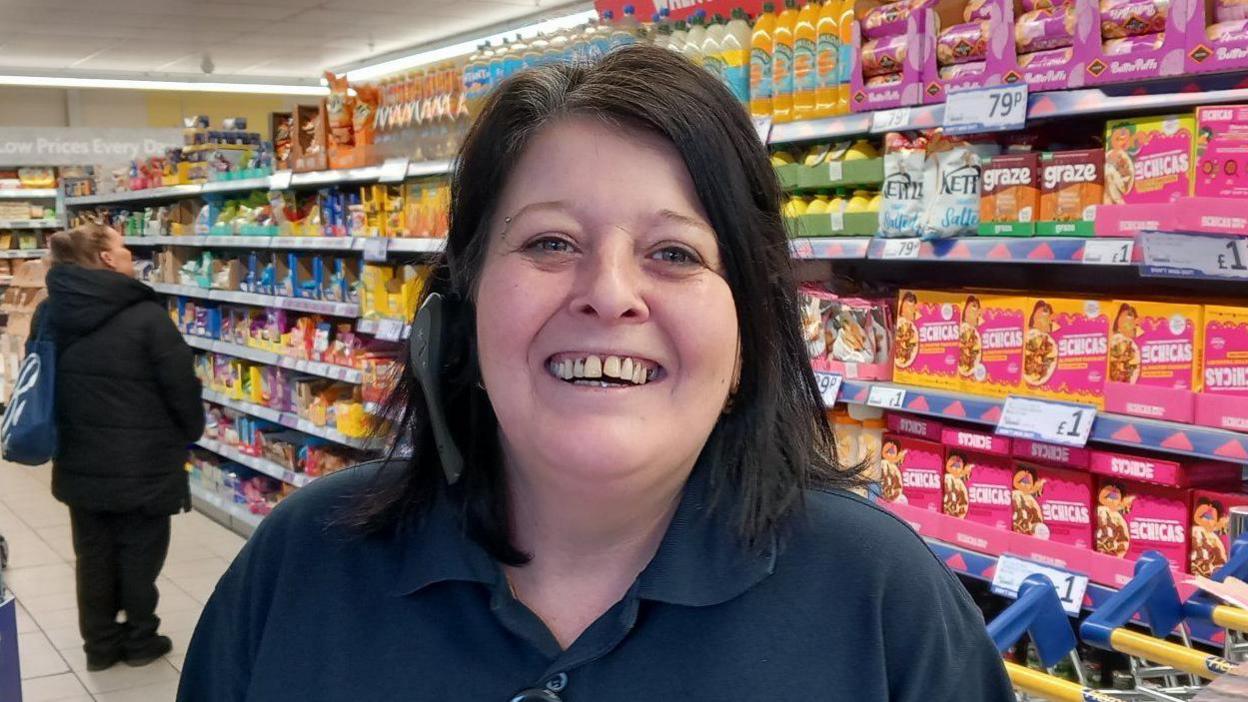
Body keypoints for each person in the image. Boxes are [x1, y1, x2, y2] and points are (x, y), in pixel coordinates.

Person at [180, 45, 1013, 700]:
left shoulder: (883, 602)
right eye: (550, 243)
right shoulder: (303, 562)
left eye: (674, 253)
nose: (610, 294)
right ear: (463, 307)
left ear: (749, 336)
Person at [37, 224, 204, 671]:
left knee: (92, 555)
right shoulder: (146, 315)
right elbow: (180, 386)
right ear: (108, 259)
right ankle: (140, 640)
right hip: (144, 462)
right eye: (124, 248)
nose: (131, 255)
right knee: (139, 553)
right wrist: (192, 429)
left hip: (78, 456)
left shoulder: (50, 313)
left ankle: (100, 646)